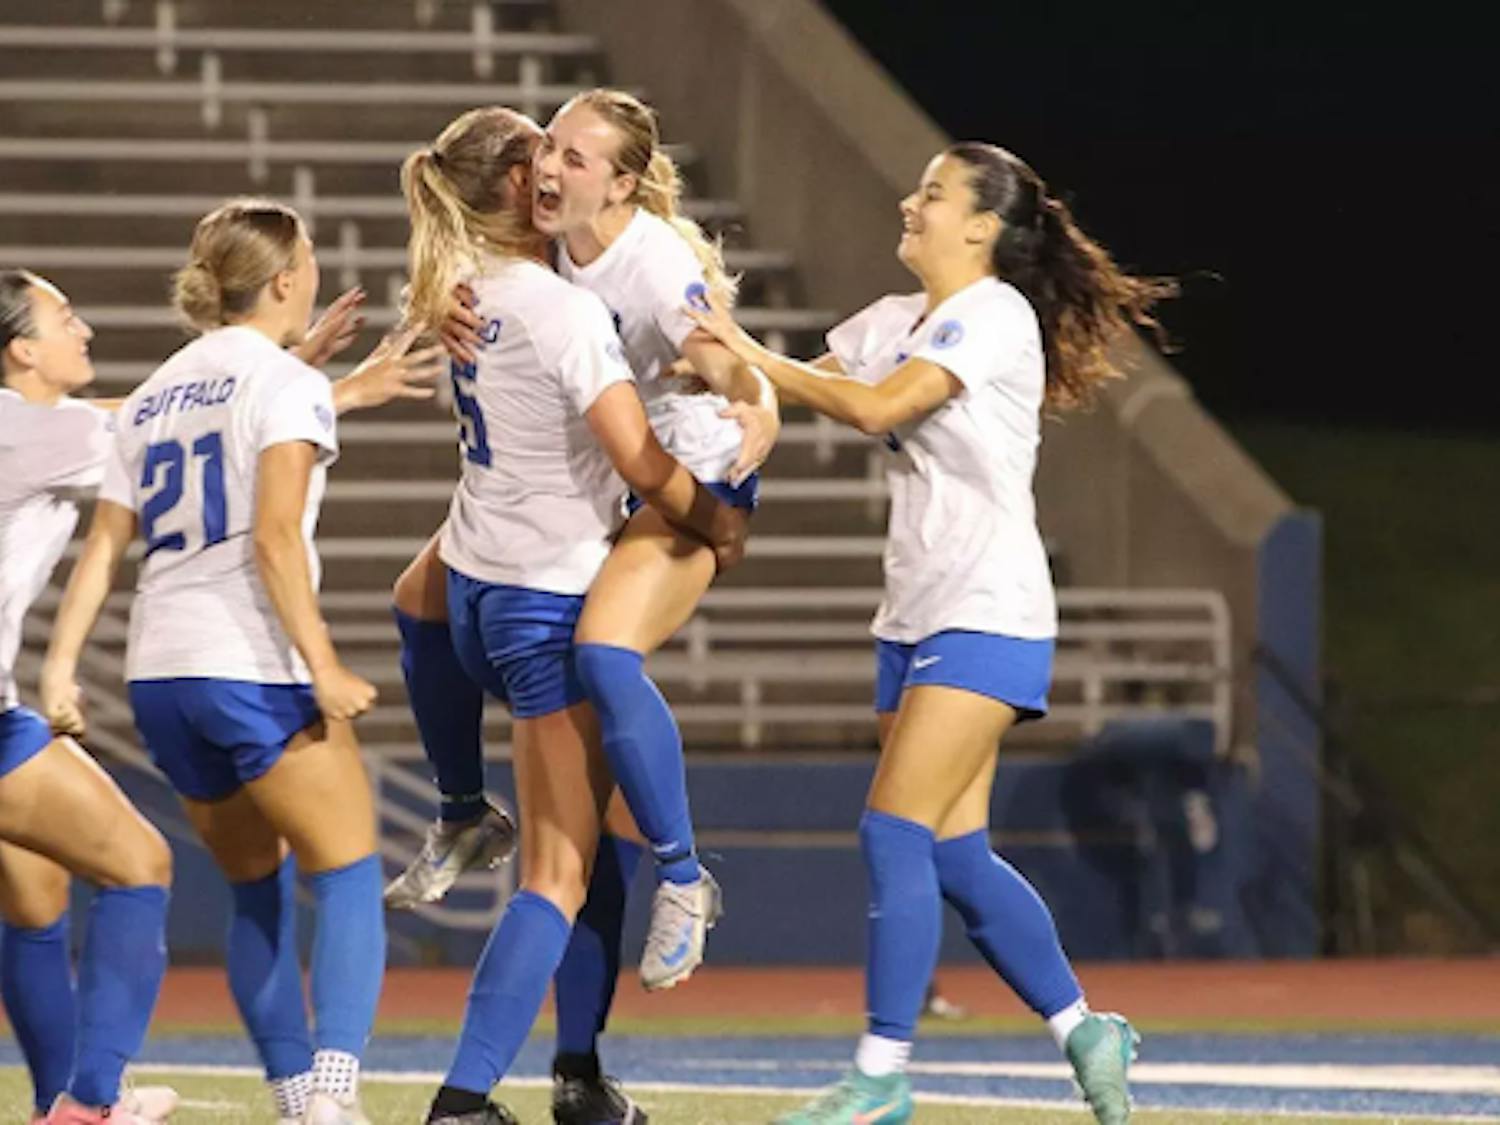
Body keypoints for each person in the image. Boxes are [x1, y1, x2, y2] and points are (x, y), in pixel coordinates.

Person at [686, 142, 1175, 1125]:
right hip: (913, 615)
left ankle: (880, 1075)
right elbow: (769, 391)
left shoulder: (991, 315)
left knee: (890, 828)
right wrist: (680, 335)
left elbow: (874, 407)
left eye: (935, 193)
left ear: (984, 227)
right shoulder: (890, 320)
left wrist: (737, 344)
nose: (911, 203)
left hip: (987, 608)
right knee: (954, 853)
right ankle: (1085, 1028)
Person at [383, 88, 777, 1122]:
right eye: (540, 151)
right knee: (555, 875)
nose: (553, 167)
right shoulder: (558, 297)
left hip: (475, 584)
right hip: (540, 599)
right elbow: (640, 457)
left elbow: (720, 355)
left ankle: (578, 1072)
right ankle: (465, 1100)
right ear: (519, 184)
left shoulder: (503, 275)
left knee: (580, 835)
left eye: (571, 151)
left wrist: (759, 393)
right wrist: (720, 523)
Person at [38, 201, 447, 1125]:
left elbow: (104, 548)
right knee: (343, 871)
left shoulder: (152, 394)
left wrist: (62, 668)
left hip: (161, 673)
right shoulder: (281, 382)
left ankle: (294, 1092)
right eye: (305, 261)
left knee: (254, 887)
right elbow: (270, 539)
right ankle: (333, 1097)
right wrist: (326, 663)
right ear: (286, 281)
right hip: (250, 662)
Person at [0, 270, 176, 1125]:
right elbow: (180, 423)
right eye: (65, 317)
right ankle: (90, 1105)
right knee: (141, 866)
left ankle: (53, 1103)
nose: (86, 330)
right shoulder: (42, 430)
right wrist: (314, 384)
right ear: (21, 349)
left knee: (34, 900)